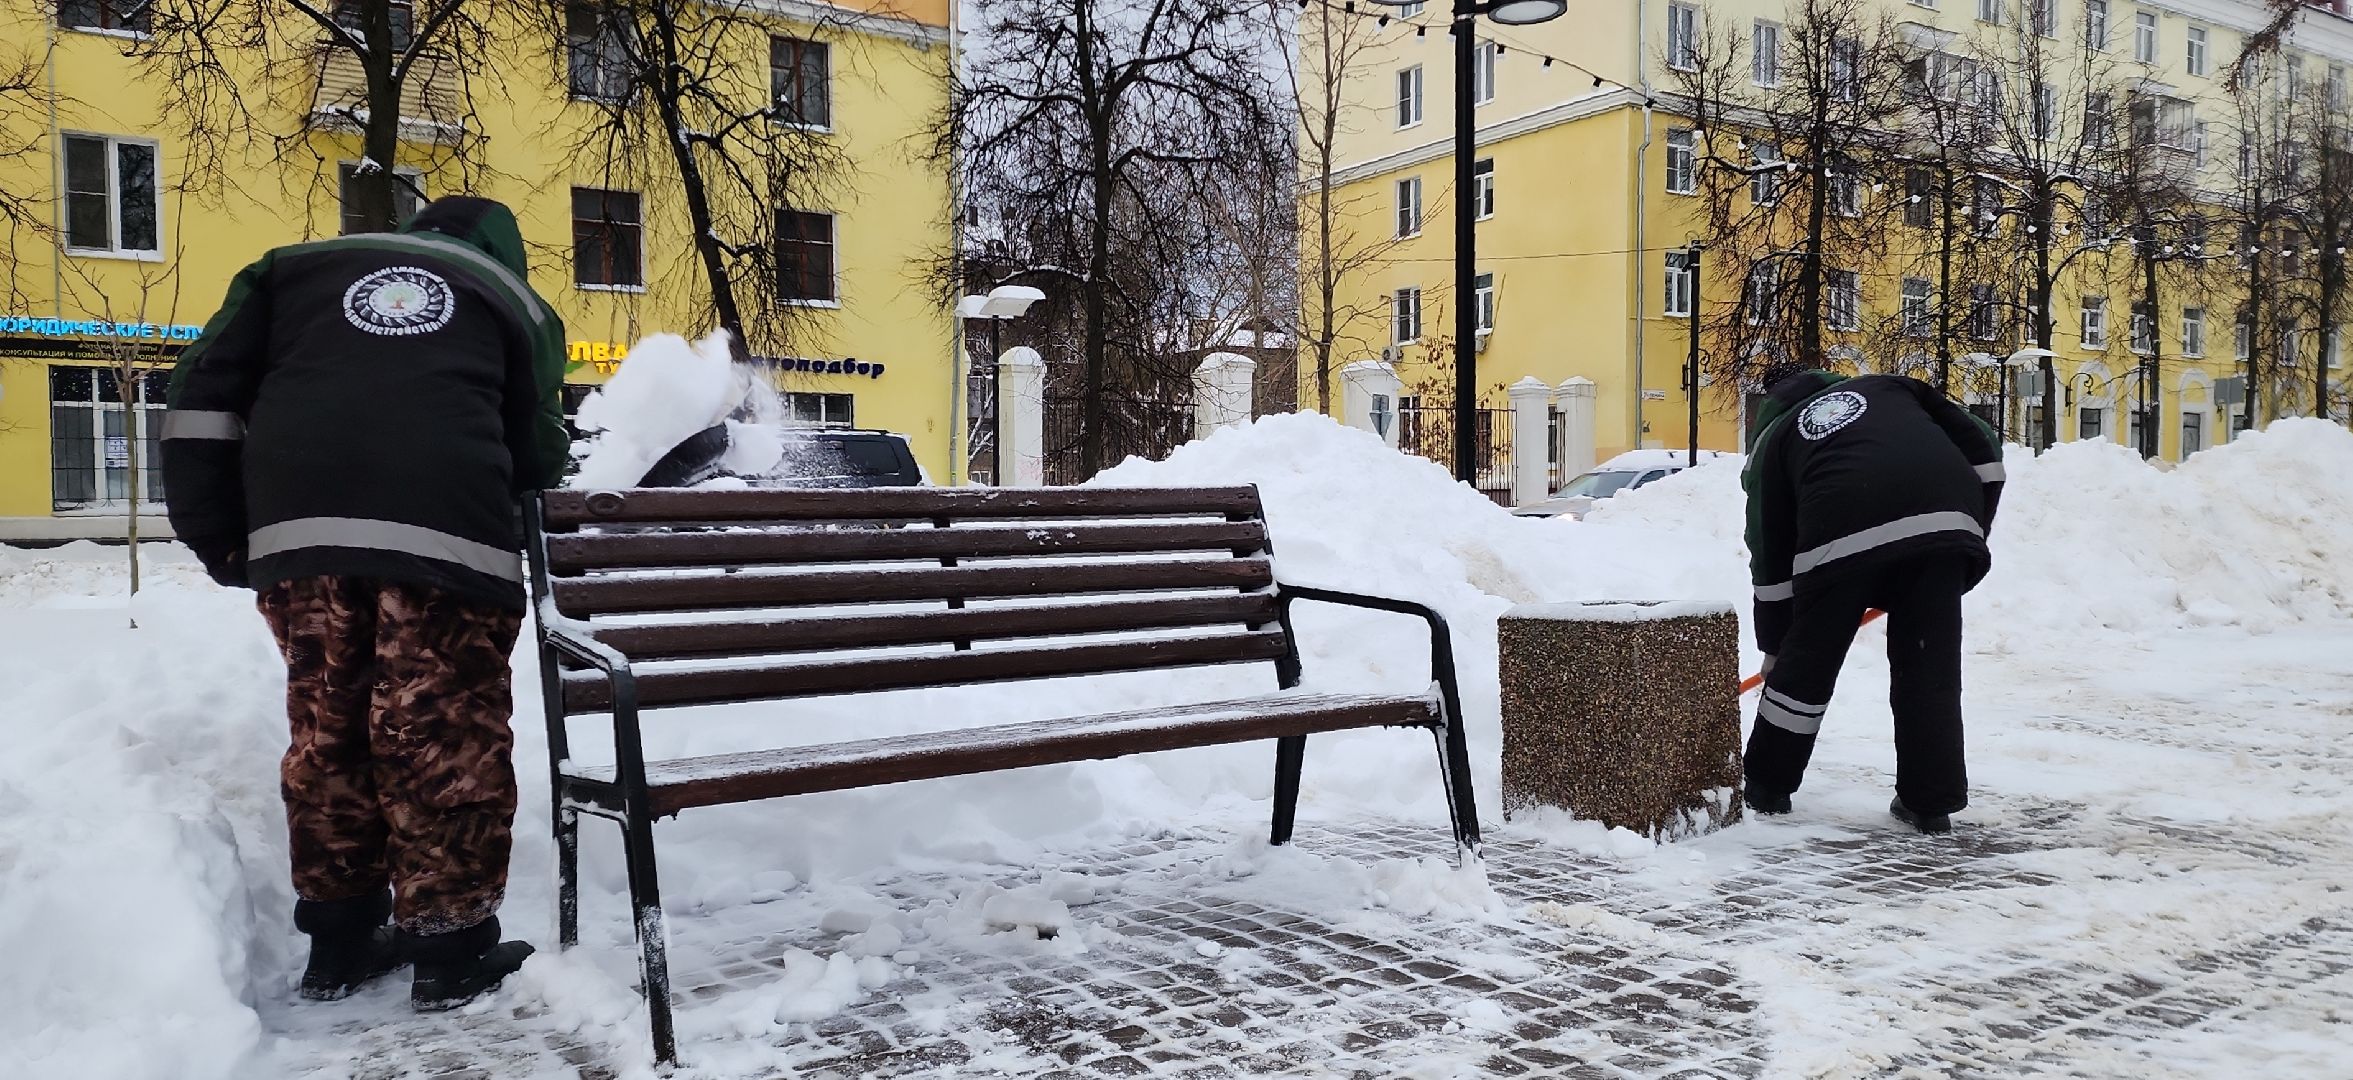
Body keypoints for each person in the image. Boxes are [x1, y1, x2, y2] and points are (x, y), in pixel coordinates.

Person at [162, 196, 569, 1007]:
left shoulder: (287, 269)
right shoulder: (511, 299)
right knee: (439, 733)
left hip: (300, 538)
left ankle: (340, 943)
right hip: (449, 541)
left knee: (328, 730)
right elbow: (535, 450)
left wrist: (219, 534)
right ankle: (450, 950)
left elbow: (198, 400)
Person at [1740, 363, 2004, 834]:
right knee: (1930, 669)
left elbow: (1769, 547)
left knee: (1808, 666)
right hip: (1943, 524)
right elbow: (1981, 436)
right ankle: (1928, 804)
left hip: (1840, 526)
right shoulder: (1892, 389)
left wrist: (1779, 645)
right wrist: (1968, 529)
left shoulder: (1777, 437)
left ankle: (1766, 786)